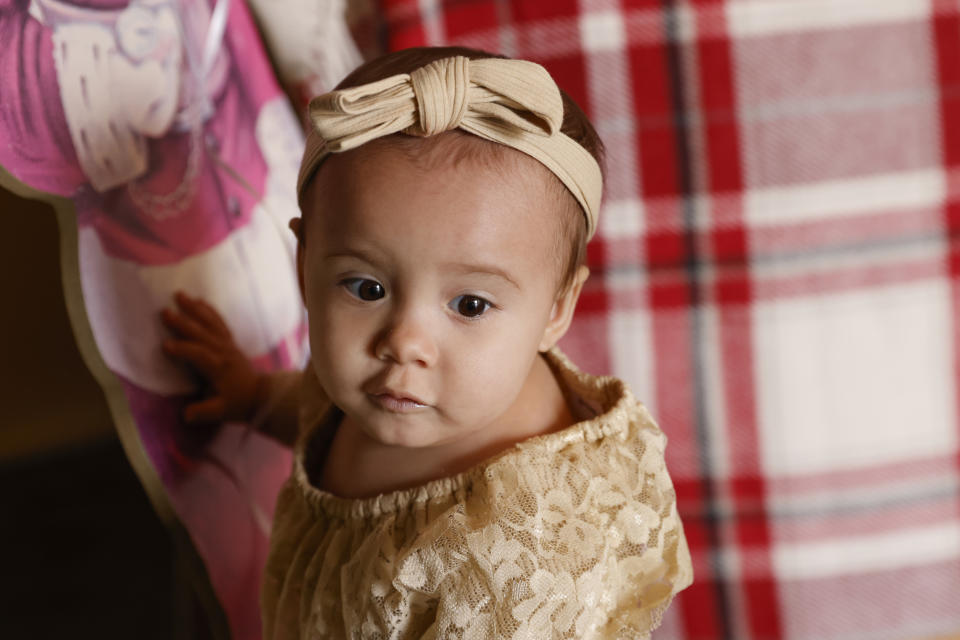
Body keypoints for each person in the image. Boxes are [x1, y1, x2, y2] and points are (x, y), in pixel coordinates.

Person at [162, 46, 693, 639]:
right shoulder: (391, 388)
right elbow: (321, 415)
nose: (404, 342)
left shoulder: (522, 561)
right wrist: (255, 396)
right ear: (306, 265)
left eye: (470, 305)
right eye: (366, 287)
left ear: (556, 309)